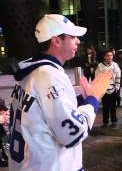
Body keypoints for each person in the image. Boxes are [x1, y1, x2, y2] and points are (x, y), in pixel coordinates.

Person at [9, 14, 112, 171]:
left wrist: (82, 99)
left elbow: (45, 111)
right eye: (72, 37)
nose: (78, 41)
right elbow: (72, 134)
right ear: (56, 40)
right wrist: (93, 99)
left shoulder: (32, 73)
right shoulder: (49, 75)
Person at [96, 49, 121, 127]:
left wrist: (117, 87)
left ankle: (114, 120)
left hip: (113, 89)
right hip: (104, 90)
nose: (109, 57)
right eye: (107, 55)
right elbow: (97, 77)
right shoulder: (100, 66)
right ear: (104, 57)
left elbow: (118, 76)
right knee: (105, 107)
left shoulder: (115, 65)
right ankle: (105, 121)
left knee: (113, 106)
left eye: (111, 55)